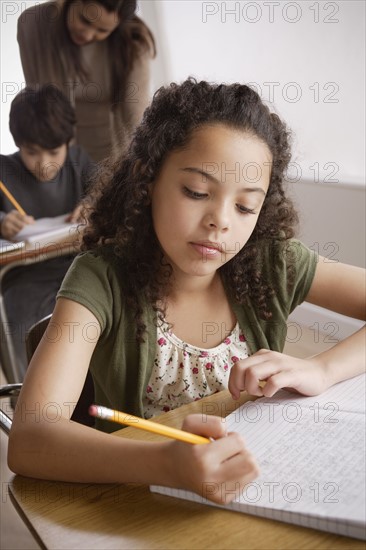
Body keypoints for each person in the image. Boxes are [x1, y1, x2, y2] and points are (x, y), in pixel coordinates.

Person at [8, 79, 365, 504]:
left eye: (245, 205)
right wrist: (167, 465)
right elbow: (29, 439)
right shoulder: (100, 279)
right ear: (148, 179)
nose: (221, 221)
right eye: (197, 192)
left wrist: (322, 370)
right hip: (144, 505)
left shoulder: (271, 262)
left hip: (257, 490)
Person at [0, 84, 94, 375]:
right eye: (31, 153)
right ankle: (29, 400)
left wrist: (93, 203)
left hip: (78, 268)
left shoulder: (79, 162)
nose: (44, 164)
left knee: (94, 321)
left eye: (54, 152)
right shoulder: (3, 172)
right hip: (23, 278)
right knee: (34, 345)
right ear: (18, 144)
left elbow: (107, 194)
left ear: (68, 141)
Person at [17, 0, 156, 162]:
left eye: (102, 30)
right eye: (84, 20)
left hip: (111, 154)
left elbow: (135, 115)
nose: (88, 34)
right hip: (56, 152)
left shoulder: (134, 41)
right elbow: (38, 100)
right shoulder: (33, 24)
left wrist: (142, 164)